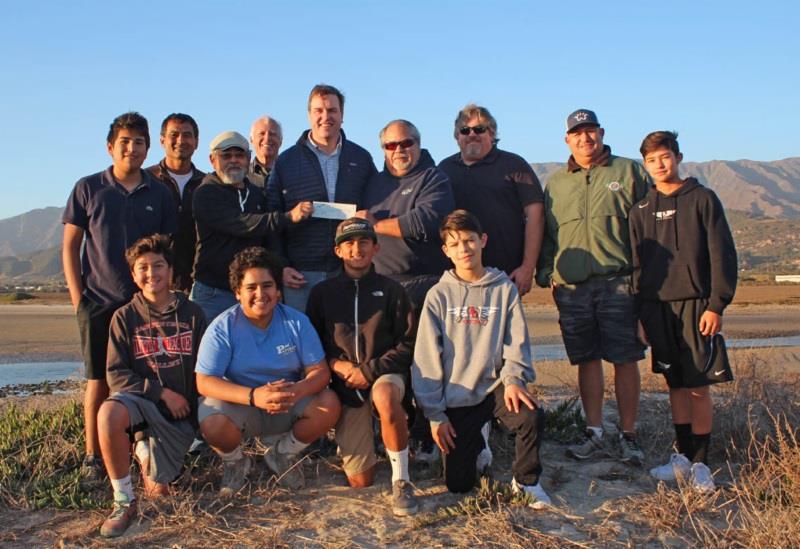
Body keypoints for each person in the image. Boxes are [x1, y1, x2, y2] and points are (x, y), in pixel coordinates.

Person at [62, 112, 177, 484]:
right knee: (98, 380)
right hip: (98, 301)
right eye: (125, 141)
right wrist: (79, 298)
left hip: (145, 307)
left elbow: (166, 249)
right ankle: (93, 457)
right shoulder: (88, 188)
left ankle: (142, 448)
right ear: (111, 147)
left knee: (143, 377)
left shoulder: (159, 192)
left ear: (148, 149)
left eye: (139, 142)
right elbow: (70, 246)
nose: (132, 148)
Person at [412, 210, 551, 508]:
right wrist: (435, 415)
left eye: (469, 240)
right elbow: (426, 357)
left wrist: (514, 379)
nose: (464, 248)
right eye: (456, 243)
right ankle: (478, 441)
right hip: (457, 394)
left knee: (530, 414)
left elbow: (517, 342)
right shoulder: (438, 295)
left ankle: (526, 482)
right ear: (446, 251)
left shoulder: (504, 289)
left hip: (496, 386)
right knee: (459, 485)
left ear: (482, 241)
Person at [536, 109, 649, 465]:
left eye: (590, 132)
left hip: (619, 281)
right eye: (577, 134)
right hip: (572, 286)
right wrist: (548, 274)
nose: (585, 139)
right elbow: (549, 234)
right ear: (567, 140)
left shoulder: (627, 171)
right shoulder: (556, 183)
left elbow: (645, 229)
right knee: (586, 358)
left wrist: (644, 279)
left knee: (625, 357)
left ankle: (628, 434)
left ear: (601, 133)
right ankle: (594, 432)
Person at [630, 131, 737, 491]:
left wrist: (716, 305)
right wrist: (640, 317)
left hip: (696, 305)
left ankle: (702, 464)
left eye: (665, 157)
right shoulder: (641, 210)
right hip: (657, 308)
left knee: (698, 385)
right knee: (674, 383)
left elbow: (722, 255)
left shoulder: (703, 199)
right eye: (651, 160)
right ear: (645, 166)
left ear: (677, 157)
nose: (659, 165)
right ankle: (682, 457)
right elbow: (636, 268)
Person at [195, 247, 340, 494]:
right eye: (251, 288)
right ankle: (236, 461)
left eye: (267, 285)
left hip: (287, 401)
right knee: (211, 420)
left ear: (278, 290)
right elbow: (204, 381)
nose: (260, 294)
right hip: (244, 404)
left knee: (329, 403)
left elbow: (320, 371)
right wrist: (254, 396)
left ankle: (283, 453)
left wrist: (295, 391)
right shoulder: (223, 327)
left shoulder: (296, 322)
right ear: (237, 293)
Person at [306, 218, 418, 516]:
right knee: (360, 481)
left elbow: (407, 344)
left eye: (364, 242)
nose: (357, 249)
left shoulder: (393, 290)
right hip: (345, 384)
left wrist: (368, 371)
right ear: (338, 251)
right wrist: (336, 365)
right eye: (349, 243)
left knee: (384, 396)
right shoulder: (322, 293)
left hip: (384, 376)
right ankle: (375, 439)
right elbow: (312, 344)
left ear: (376, 247)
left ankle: (401, 479)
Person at [97, 235, 207, 537]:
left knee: (161, 493)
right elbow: (116, 375)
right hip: (145, 408)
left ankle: (149, 450)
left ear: (171, 271)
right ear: (133, 275)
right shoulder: (124, 318)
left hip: (183, 417)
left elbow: (207, 369)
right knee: (108, 414)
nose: (151, 273)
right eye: (142, 267)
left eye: (158, 265)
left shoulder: (194, 314)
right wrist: (160, 393)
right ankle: (123, 500)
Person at [267, 84, 376, 312]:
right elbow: (271, 217)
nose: (325, 117)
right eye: (318, 111)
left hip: (348, 269)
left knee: (346, 341)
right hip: (300, 274)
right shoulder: (286, 162)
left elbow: (375, 206)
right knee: (302, 343)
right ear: (309, 115)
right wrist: (281, 266)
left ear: (342, 115)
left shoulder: (361, 158)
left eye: (332, 110)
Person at [191, 130, 310, 322]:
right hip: (212, 293)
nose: (233, 160)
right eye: (226, 155)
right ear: (212, 160)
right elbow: (243, 223)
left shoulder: (256, 194)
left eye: (239, 155)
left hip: (251, 293)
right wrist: (288, 217)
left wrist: (281, 267)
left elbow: (268, 238)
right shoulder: (206, 192)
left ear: (248, 159)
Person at [438, 104, 544, 297]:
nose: (472, 134)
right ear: (457, 136)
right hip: (458, 278)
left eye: (479, 129)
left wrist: (528, 267)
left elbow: (536, 214)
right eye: (465, 130)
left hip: (506, 277)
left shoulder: (514, 165)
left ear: (492, 133)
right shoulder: (444, 169)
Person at [359, 119, 454, 309]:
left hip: (424, 287)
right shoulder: (373, 184)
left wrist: (375, 225)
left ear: (418, 145)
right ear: (384, 149)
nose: (399, 150)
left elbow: (424, 221)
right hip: (378, 286)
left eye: (406, 143)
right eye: (391, 145)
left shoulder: (434, 178)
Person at [146, 113, 206, 292]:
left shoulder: (208, 184)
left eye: (187, 135)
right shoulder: (146, 181)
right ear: (162, 140)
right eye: (174, 135)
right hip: (152, 283)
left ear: (196, 142)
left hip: (198, 285)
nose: (181, 141)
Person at [248, 115, 283, 190]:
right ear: (251, 140)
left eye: (272, 134)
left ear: (281, 141)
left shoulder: (293, 174)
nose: (267, 138)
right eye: (262, 133)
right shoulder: (242, 176)